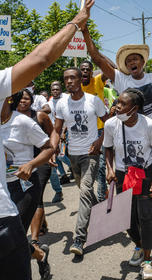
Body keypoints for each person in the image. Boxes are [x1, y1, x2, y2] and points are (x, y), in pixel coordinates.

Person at [0, 1, 95, 278]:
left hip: (19, 190)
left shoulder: (26, 120)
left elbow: (50, 142)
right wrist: (76, 22)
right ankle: (39, 253)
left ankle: (37, 249)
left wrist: (32, 164)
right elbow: (40, 58)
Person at [82, 24, 152, 231]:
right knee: (131, 178)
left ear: (142, 62)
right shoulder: (121, 79)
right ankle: (134, 220)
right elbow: (97, 59)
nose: (132, 62)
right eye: (128, 61)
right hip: (128, 138)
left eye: (135, 59)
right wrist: (86, 33)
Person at [104, 88, 152, 280]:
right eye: (117, 102)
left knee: (144, 216)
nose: (117, 106)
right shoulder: (111, 124)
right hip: (122, 175)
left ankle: (147, 261)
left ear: (134, 108)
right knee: (125, 218)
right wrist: (110, 169)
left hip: (144, 174)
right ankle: (139, 245)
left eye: (122, 104)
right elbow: (108, 149)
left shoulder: (149, 125)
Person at [53, 67, 108, 256]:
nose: (68, 82)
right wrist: (53, 149)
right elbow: (57, 129)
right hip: (72, 155)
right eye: (65, 78)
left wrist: (99, 142)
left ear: (80, 80)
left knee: (85, 191)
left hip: (90, 154)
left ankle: (79, 239)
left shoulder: (94, 101)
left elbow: (108, 123)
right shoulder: (61, 104)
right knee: (86, 193)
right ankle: (102, 214)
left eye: (72, 78)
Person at [1, 90, 54, 279]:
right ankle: (40, 254)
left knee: (13, 235)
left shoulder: (22, 122)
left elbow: (48, 148)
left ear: (6, 98)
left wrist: (31, 164)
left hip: (25, 186)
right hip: (3, 189)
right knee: (11, 237)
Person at [79, 60, 109, 201]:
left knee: (101, 165)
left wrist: (95, 54)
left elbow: (110, 70)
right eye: (82, 69)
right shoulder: (76, 87)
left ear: (92, 72)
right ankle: (102, 188)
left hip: (101, 130)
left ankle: (102, 197)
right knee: (89, 167)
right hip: (84, 133)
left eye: (88, 69)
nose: (85, 71)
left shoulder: (98, 81)